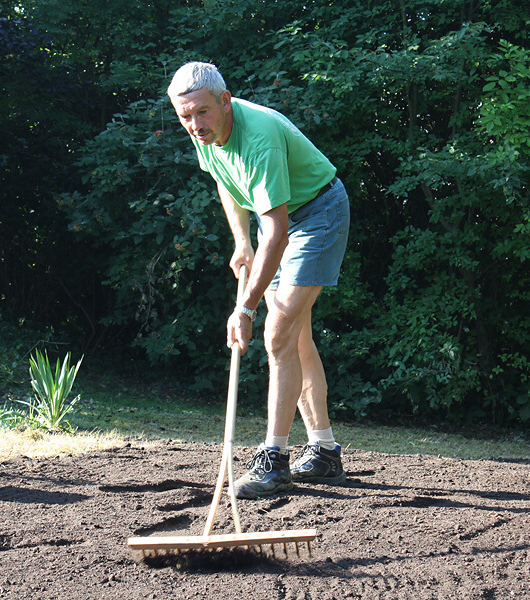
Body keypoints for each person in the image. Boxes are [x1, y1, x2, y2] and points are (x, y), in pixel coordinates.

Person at [167, 62, 350, 499]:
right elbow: (226, 181)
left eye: (202, 112)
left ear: (225, 101)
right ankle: (324, 452)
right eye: (185, 116)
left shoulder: (259, 138)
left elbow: (278, 231)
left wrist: (245, 308)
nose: (195, 124)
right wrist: (241, 241)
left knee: (276, 334)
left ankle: (274, 461)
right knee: (295, 337)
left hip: (317, 214)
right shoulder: (205, 133)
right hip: (279, 225)